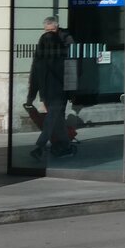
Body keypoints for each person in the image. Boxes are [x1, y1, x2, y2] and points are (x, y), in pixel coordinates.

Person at [26, 16, 76, 160]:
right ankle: (63, 145)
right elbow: (35, 74)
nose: (49, 34)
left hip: (56, 92)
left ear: (57, 27)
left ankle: (41, 146)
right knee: (56, 119)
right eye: (47, 31)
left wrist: (72, 92)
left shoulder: (64, 41)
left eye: (52, 31)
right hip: (53, 92)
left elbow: (71, 68)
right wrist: (31, 97)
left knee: (53, 118)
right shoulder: (50, 53)